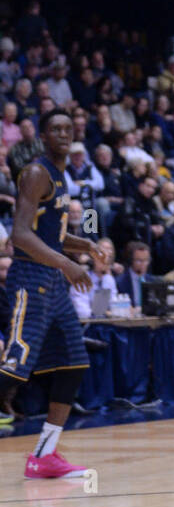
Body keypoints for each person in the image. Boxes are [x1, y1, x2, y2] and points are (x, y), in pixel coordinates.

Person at [0, 110, 98, 478]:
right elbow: (20, 235)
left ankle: (44, 455)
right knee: (14, 368)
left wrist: (83, 244)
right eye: (54, 128)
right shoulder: (37, 173)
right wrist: (67, 264)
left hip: (53, 283)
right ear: (42, 135)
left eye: (67, 129)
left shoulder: (62, 175)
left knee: (73, 364)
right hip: (30, 278)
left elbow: (51, 235)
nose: (62, 133)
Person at [70, 238, 118, 320]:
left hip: (106, 325)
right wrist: (105, 314)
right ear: (94, 257)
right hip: (85, 327)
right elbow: (82, 311)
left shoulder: (109, 280)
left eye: (109, 257)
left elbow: (115, 306)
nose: (106, 260)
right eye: (102, 256)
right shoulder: (82, 278)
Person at [116, 241, 152, 310]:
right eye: (139, 260)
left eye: (146, 260)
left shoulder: (152, 281)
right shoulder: (120, 282)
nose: (143, 264)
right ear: (131, 260)